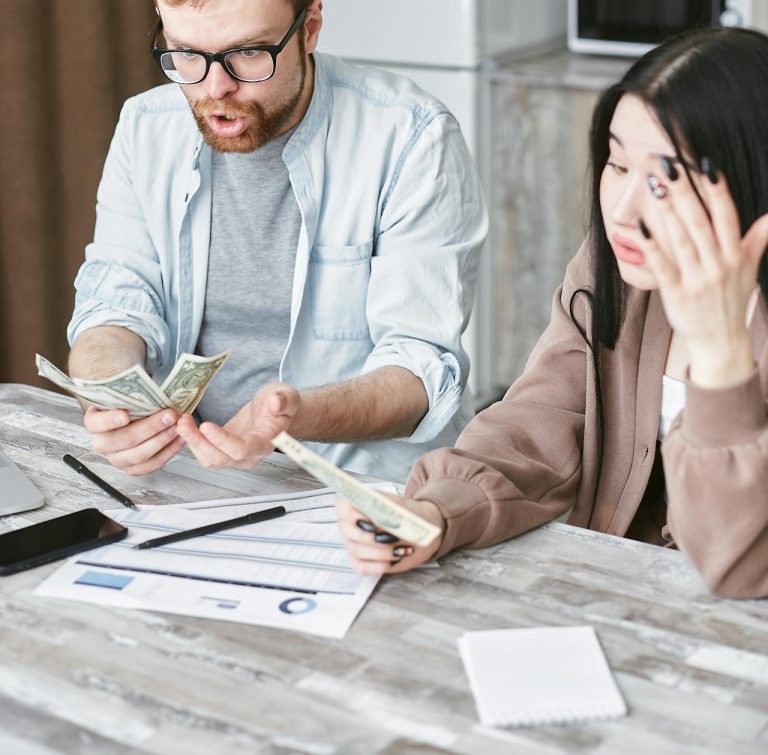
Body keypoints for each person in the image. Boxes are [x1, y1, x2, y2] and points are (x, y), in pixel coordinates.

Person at [336, 26, 768, 599]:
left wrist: (719, 359)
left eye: (663, 178)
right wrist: (437, 510)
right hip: (611, 602)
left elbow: (738, 564)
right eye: (616, 165)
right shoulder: (617, 266)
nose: (623, 209)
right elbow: (541, 416)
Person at [66, 0, 487, 484]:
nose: (214, 86)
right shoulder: (145, 127)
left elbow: (420, 374)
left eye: (247, 52)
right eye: (185, 53)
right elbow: (113, 306)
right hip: (186, 480)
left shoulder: (412, 138)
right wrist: (112, 398)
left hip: (363, 488)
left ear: (309, 29)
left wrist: (291, 418)